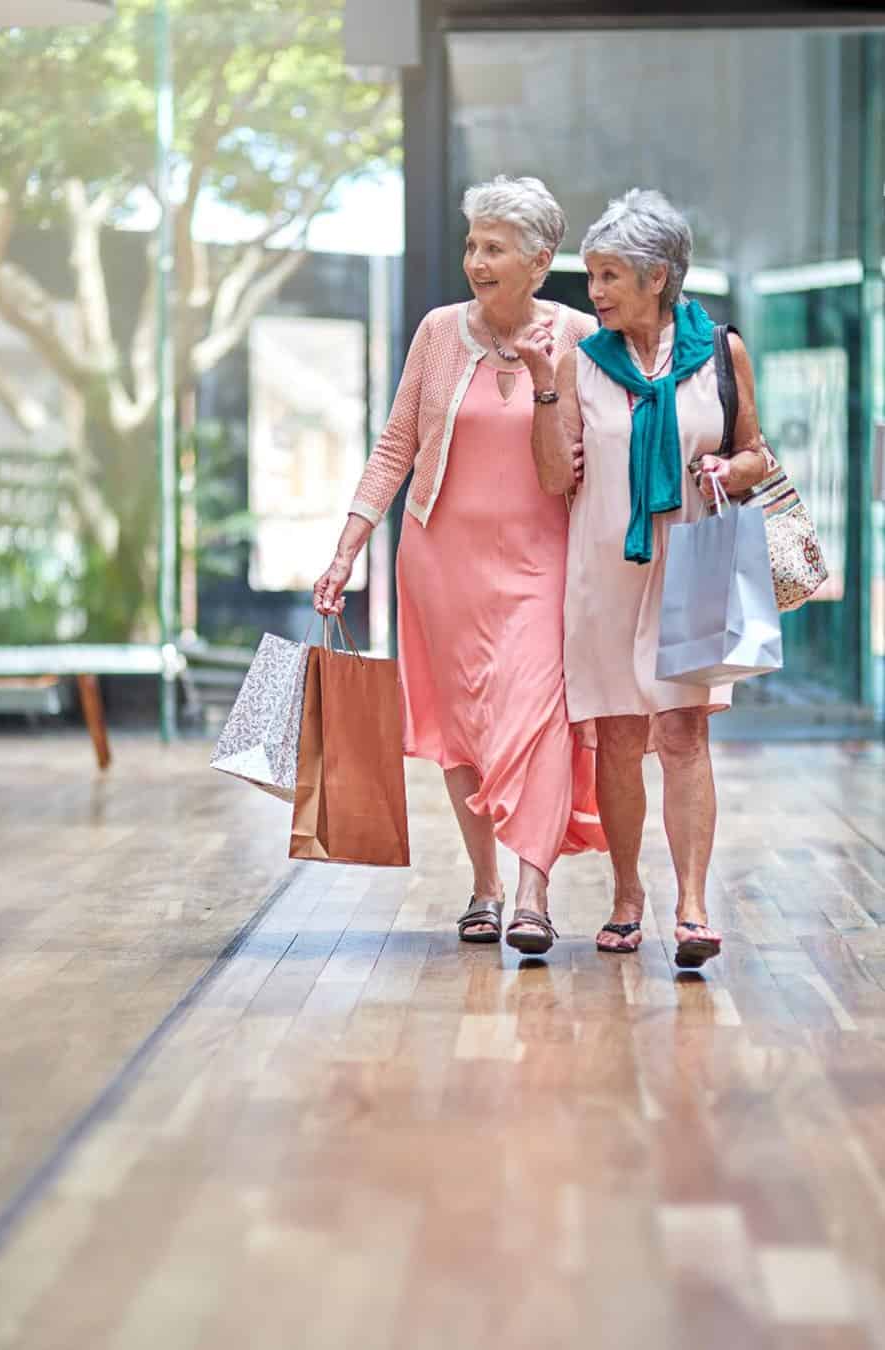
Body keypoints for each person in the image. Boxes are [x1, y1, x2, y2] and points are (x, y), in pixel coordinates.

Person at [313, 175, 605, 956]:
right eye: (471, 244)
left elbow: (571, 470)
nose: (475, 260)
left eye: (494, 247)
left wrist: (545, 382)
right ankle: (485, 885)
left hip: (542, 559)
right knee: (462, 726)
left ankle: (534, 890)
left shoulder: (577, 338)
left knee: (537, 716)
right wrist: (347, 547)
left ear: (539, 262)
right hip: (439, 558)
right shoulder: (440, 332)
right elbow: (394, 446)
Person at [523, 188, 770, 968]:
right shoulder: (579, 361)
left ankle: (691, 907)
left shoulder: (721, 352)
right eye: (591, 276)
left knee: (683, 730)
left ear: (657, 277)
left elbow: (757, 453)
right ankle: (626, 897)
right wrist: (541, 387)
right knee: (619, 735)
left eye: (607, 277)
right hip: (604, 570)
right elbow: (551, 477)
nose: (591, 293)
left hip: (691, 563)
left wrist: (731, 469)